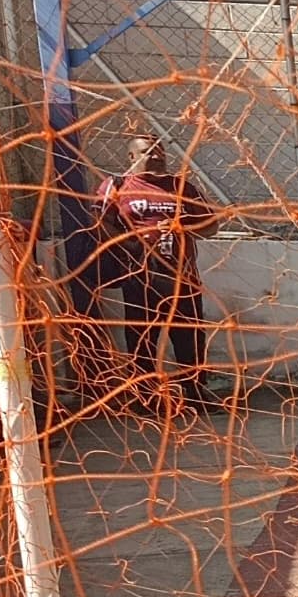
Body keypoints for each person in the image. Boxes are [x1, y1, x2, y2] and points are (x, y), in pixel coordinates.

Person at [96, 132, 214, 408]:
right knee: (142, 337)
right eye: (147, 151)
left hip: (182, 275)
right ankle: (146, 396)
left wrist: (182, 227)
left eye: (160, 150)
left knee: (189, 335)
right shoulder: (117, 185)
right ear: (131, 156)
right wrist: (133, 243)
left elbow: (211, 226)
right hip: (140, 274)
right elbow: (99, 223)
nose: (156, 155)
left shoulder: (182, 187)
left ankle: (195, 391)